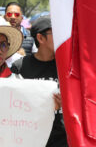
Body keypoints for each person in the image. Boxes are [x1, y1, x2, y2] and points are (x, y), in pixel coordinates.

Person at [11, 16, 67, 147]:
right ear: (41, 38)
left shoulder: (67, 67)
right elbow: (13, 105)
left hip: (62, 139)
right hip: (31, 138)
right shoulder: (20, 67)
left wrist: (67, 104)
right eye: (55, 33)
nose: (61, 37)